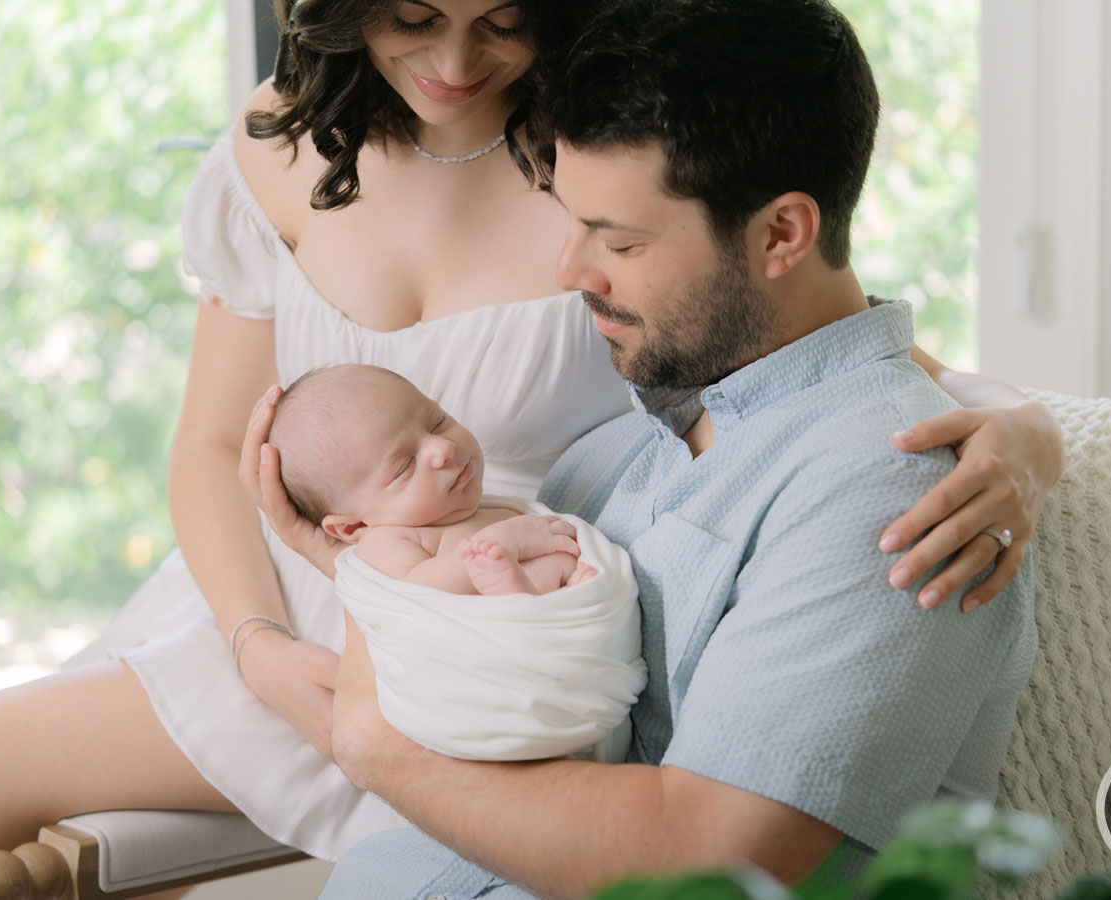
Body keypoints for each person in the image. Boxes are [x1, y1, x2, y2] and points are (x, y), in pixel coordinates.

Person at [0, 0, 1060, 881]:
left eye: (497, 20)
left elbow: (829, 350)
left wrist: (1026, 430)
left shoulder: (622, 168)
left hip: (500, 612)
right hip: (298, 595)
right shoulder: (288, 146)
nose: (451, 61)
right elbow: (208, 440)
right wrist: (266, 640)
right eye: (413, 16)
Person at [238, 1, 1040, 897]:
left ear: (781, 235)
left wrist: (371, 740)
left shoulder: (896, 494)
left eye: (619, 241)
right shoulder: (615, 452)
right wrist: (366, 568)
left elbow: (710, 858)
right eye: (571, 224)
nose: (570, 273)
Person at [270, 363, 646, 763]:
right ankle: (523, 600)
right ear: (352, 527)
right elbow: (416, 588)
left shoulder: (487, 506)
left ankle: (551, 601)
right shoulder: (385, 540)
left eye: (436, 421)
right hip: (491, 666)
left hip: (559, 641)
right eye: (403, 466)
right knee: (500, 568)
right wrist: (508, 540)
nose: (441, 449)